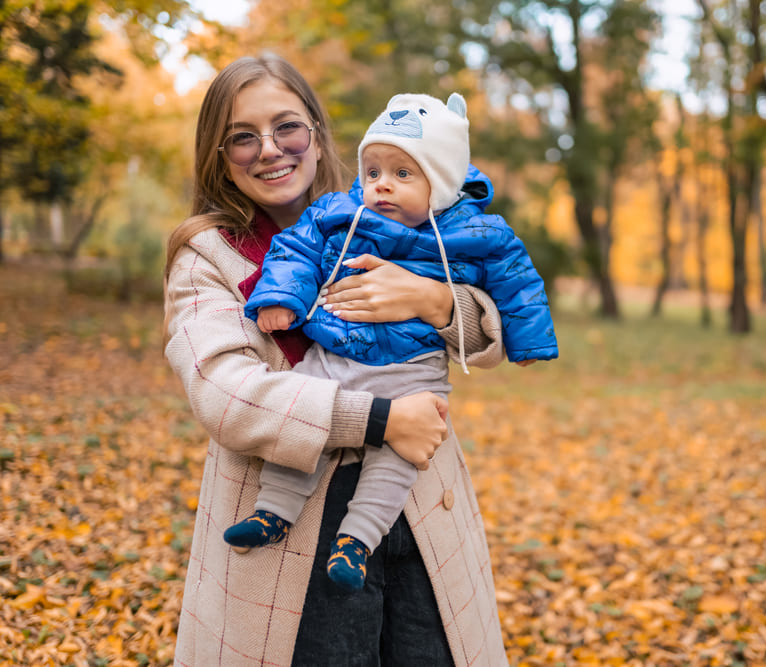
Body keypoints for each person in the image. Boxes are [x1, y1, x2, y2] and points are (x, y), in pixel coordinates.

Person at [163, 53, 509, 666]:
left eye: (287, 127)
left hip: (420, 514)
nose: (270, 149)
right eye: (243, 137)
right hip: (294, 530)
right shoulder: (207, 256)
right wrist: (377, 418)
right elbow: (226, 393)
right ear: (220, 158)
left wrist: (433, 299)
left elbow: (496, 337)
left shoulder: (394, 212)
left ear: (318, 139)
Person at [223, 92, 558, 593]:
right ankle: (274, 510)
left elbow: (518, 281)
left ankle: (356, 540)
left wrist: (528, 341)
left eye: (403, 174)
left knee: (399, 456)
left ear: (441, 182)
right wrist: (280, 297)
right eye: (374, 170)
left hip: (415, 368)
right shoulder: (339, 210)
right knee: (301, 412)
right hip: (336, 351)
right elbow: (296, 249)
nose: (382, 185)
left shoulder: (480, 231)